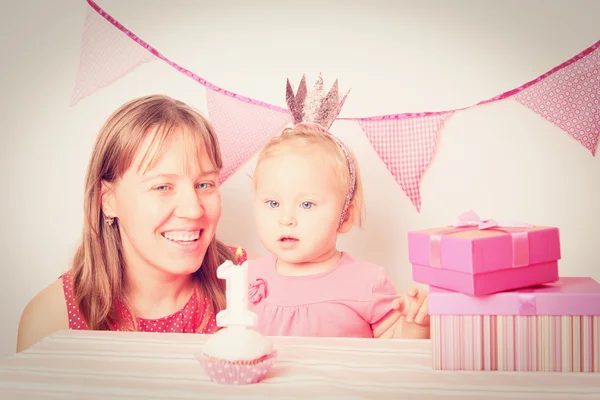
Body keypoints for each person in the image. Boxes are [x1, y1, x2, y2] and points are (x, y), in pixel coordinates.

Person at [16, 95, 248, 352]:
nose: (193, 210)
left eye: (204, 184)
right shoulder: (51, 321)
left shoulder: (259, 286)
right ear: (109, 200)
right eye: (162, 186)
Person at [247, 123, 430, 339]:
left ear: (345, 217)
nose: (286, 219)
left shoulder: (366, 282)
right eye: (273, 203)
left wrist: (416, 322)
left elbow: (394, 344)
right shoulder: (246, 276)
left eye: (307, 204)